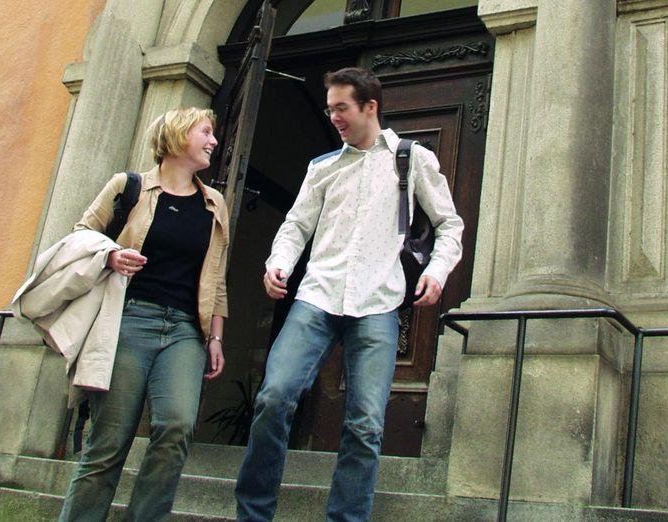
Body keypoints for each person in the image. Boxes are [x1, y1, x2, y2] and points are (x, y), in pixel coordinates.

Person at [234, 67, 464, 521]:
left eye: (342, 107)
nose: (333, 116)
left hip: (378, 304)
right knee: (274, 397)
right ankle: (254, 514)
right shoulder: (322, 167)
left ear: (369, 107)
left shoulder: (410, 158)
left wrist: (437, 272)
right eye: (330, 108)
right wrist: (277, 263)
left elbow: (449, 224)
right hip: (316, 297)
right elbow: (296, 225)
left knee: (365, 426)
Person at [58, 107, 230, 521]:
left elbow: (217, 278)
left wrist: (217, 337)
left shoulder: (214, 204)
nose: (213, 141)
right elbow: (81, 235)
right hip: (130, 320)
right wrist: (112, 253)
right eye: (206, 132)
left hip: (185, 332)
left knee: (176, 428)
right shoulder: (128, 187)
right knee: (108, 444)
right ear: (177, 135)